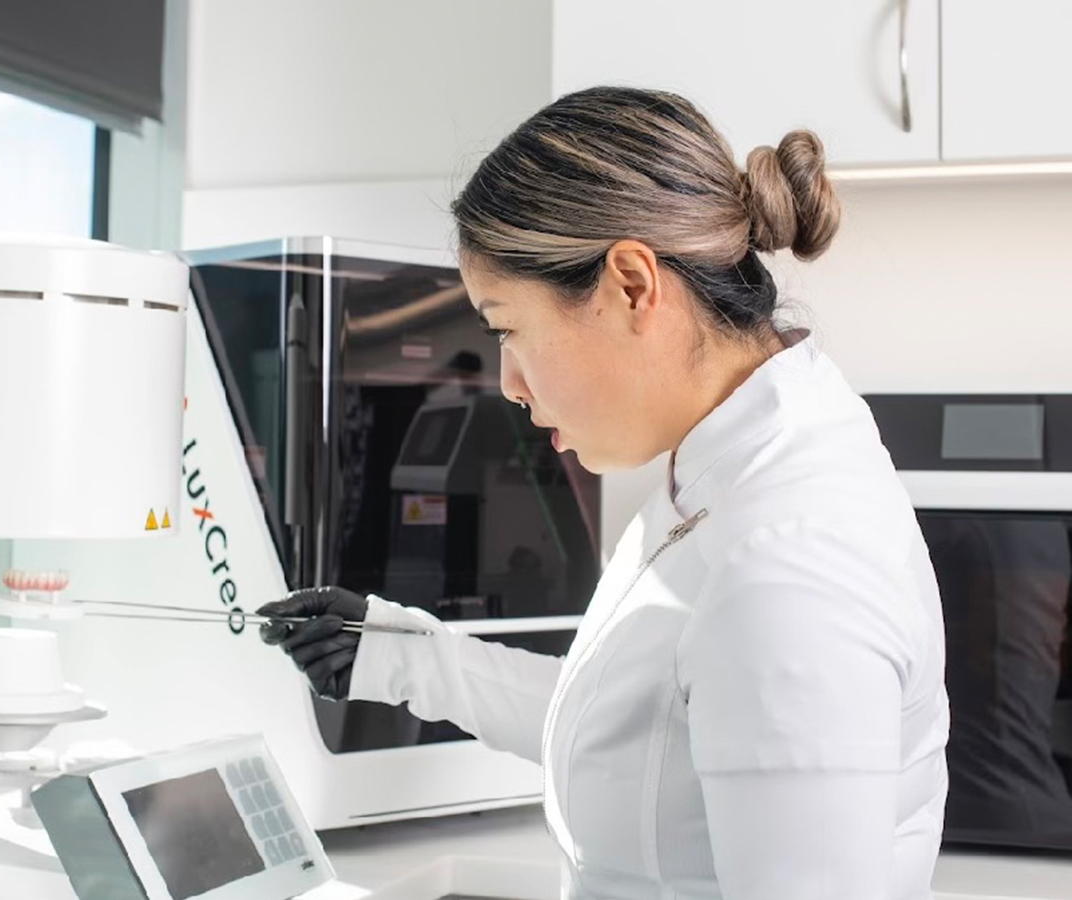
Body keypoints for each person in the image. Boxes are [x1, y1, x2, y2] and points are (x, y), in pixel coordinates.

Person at [258, 86, 949, 900]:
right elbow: (642, 726)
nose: (508, 384)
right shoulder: (720, 467)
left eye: (507, 327)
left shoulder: (789, 562)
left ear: (630, 284)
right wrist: (397, 656)